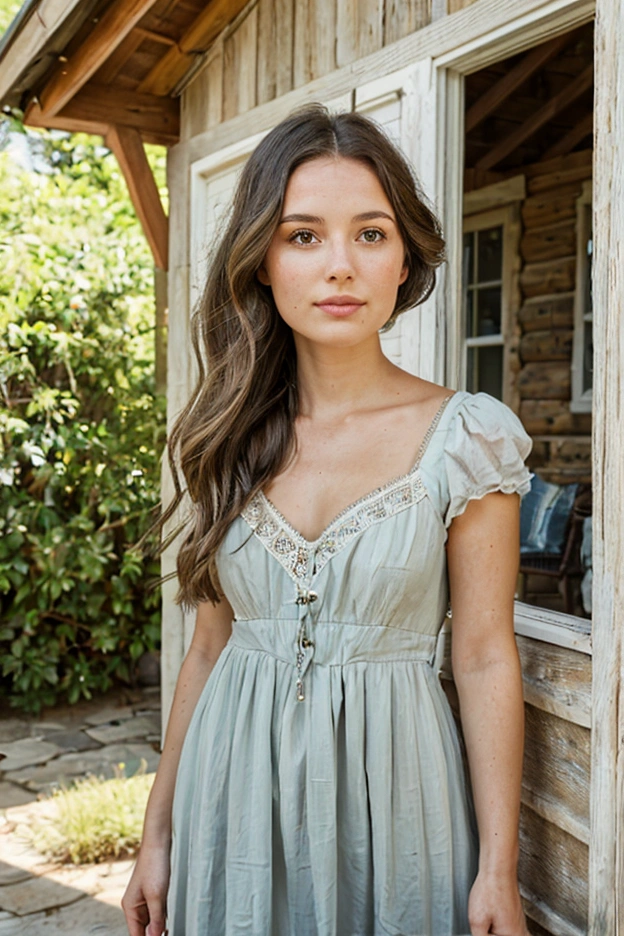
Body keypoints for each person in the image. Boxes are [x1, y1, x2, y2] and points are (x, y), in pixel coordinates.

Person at [122, 103, 533, 936]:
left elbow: (486, 654)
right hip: (229, 798)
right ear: (262, 262)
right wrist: (155, 834)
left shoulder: (468, 438)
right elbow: (208, 650)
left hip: (399, 802)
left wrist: (498, 867)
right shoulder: (228, 437)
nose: (340, 265)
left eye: (371, 234)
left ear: (404, 259)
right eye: (303, 235)